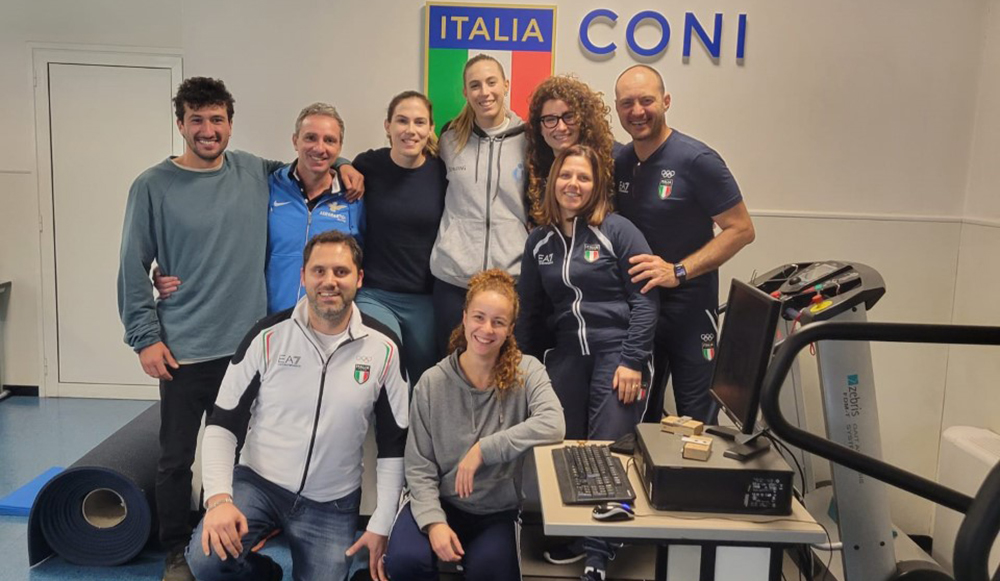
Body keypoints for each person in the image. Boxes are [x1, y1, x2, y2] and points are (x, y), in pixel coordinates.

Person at [117, 77, 285, 581]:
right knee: (176, 459)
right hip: (185, 348)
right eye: (197, 120)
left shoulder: (255, 171)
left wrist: (344, 164)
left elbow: (307, 169)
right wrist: (144, 337)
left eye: (216, 120)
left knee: (246, 456)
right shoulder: (152, 185)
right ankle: (175, 549)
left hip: (248, 348)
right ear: (180, 124)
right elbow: (131, 265)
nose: (208, 130)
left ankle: (236, 542)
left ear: (230, 123)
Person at [185, 231, 408, 581]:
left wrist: (381, 523)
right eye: (319, 271)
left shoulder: (384, 349)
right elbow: (221, 424)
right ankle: (265, 574)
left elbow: (395, 444)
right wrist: (218, 499)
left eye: (341, 271)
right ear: (303, 276)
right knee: (207, 558)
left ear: (359, 279)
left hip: (332, 503)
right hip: (258, 485)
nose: (329, 281)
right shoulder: (267, 335)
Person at [518, 145, 658, 581]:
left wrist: (633, 359)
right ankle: (580, 530)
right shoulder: (538, 240)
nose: (573, 185)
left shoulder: (618, 231)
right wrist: (519, 367)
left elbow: (647, 301)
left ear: (596, 186)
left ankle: (597, 554)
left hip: (618, 354)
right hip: (566, 355)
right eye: (566, 176)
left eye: (583, 178)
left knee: (606, 449)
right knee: (563, 446)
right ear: (553, 181)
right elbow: (528, 311)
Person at [384, 269, 565, 581]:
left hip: (494, 511)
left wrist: (483, 449)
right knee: (405, 561)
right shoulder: (432, 383)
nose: (486, 329)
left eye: (498, 322)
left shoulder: (527, 371)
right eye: (479, 317)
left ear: (510, 329)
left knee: (493, 572)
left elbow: (553, 423)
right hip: (438, 500)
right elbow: (419, 468)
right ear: (464, 317)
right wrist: (434, 523)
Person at [614, 64, 755, 425]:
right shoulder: (619, 162)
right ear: (618, 109)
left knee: (699, 421)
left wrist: (678, 271)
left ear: (666, 101)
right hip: (640, 312)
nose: (637, 111)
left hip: (691, 312)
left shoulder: (697, 160)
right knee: (638, 418)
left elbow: (740, 229)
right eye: (627, 103)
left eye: (646, 100)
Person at [430, 54, 529, 357]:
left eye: (491, 82)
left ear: (506, 85)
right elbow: (406, 159)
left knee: (506, 372)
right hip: (454, 278)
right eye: (475, 85)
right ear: (465, 92)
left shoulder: (530, 139)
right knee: (450, 368)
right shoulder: (449, 138)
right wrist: (344, 166)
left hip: (510, 278)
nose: (484, 92)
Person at [353, 91, 446, 384]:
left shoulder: (442, 172)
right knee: (382, 370)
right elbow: (334, 165)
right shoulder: (368, 165)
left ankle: (417, 433)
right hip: (375, 293)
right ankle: (384, 432)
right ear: (387, 125)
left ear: (430, 128)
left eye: (420, 122)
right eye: (402, 121)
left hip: (425, 298)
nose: (410, 130)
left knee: (423, 382)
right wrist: (342, 163)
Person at [265, 103, 365, 313]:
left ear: (339, 147)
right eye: (310, 138)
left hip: (329, 320)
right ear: (295, 141)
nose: (319, 148)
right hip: (272, 318)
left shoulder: (355, 197)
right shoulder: (269, 185)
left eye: (329, 140)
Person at [524, 75, 616, 225]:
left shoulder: (612, 161)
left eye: (569, 117)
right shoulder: (534, 171)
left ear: (584, 120)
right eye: (550, 119)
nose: (561, 127)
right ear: (539, 128)